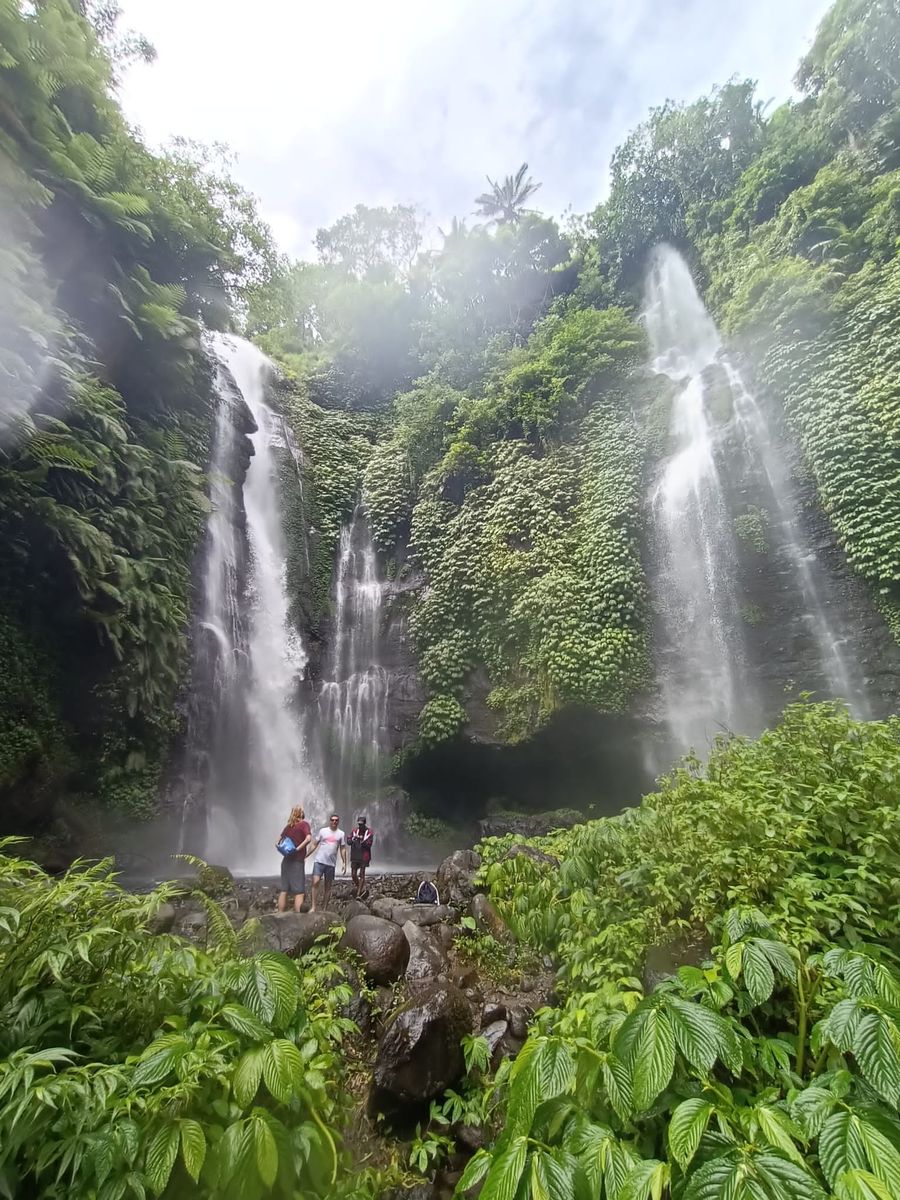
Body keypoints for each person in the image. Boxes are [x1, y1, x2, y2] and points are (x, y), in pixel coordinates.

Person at [307, 813, 348, 912]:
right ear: (330, 821)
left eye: (336, 820)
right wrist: (306, 855)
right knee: (315, 881)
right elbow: (314, 844)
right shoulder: (323, 831)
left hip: (331, 864)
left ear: (338, 821)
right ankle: (313, 906)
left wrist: (344, 862)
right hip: (319, 861)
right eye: (332, 820)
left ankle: (324, 908)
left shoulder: (341, 834)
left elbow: (342, 849)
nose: (334, 822)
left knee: (328, 887)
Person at [276, 805, 311, 913]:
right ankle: (298, 918)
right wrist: (298, 848)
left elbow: (277, 842)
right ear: (301, 813)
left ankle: (280, 914)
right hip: (297, 862)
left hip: (286, 861)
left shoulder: (289, 826)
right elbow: (309, 838)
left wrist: (282, 849)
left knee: (284, 890)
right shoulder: (304, 824)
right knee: (299, 892)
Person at [348, 815, 374, 899]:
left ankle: (358, 894)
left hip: (364, 856)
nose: (360, 826)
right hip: (355, 855)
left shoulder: (369, 832)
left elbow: (369, 844)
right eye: (359, 824)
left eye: (361, 824)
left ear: (365, 824)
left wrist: (362, 840)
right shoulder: (354, 831)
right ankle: (360, 887)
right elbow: (348, 841)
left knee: (362, 874)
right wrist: (353, 839)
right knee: (353, 875)